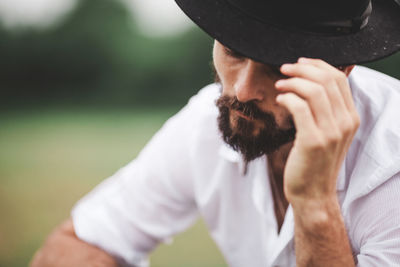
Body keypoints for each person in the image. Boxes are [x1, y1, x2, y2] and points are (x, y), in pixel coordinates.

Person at [31, 0, 400, 266]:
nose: (240, 91)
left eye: (277, 68)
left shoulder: (391, 168)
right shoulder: (204, 123)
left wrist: (315, 203)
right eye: (233, 51)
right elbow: (81, 242)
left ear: (342, 70)